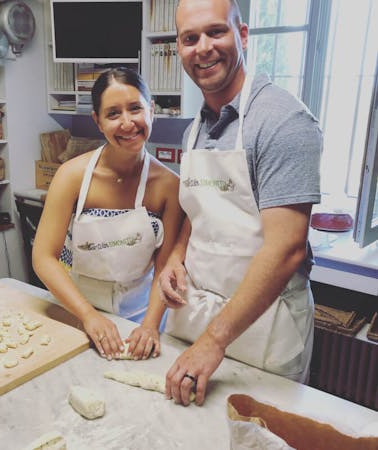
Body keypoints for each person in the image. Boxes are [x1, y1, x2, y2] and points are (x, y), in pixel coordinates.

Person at [158, 0, 323, 406]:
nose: (203, 48)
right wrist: (177, 255)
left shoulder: (283, 121)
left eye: (216, 32)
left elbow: (286, 249)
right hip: (195, 318)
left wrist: (214, 340)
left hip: (264, 332)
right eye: (189, 38)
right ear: (179, 48)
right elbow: (203, 209)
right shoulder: (195, 129)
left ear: (243, 35)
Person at [33, 67, 184, 361]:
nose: (127, 123)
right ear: (98, 121)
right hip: (76, 310)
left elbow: (165, 269)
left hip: (141, 316)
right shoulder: (71, 176)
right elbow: (43, 257)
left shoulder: (168, 186)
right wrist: (88, 316)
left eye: (135, 109)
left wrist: (150, 326)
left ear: (151, 110)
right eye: (113, 113)